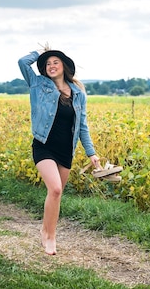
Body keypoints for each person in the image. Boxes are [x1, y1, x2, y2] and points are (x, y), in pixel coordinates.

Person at [18, 46, 101, 255]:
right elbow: (22, 62)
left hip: (66, 149)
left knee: (56, 194)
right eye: (48, 64)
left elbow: (82, 126)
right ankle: (51, 238)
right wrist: (41, 52)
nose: (51, 66)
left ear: (64, 66)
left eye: (55, 62)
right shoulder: (38, 84)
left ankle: (45, 231)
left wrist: (91, 153)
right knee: (54, 189)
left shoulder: (78, 94)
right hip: (44, 145)